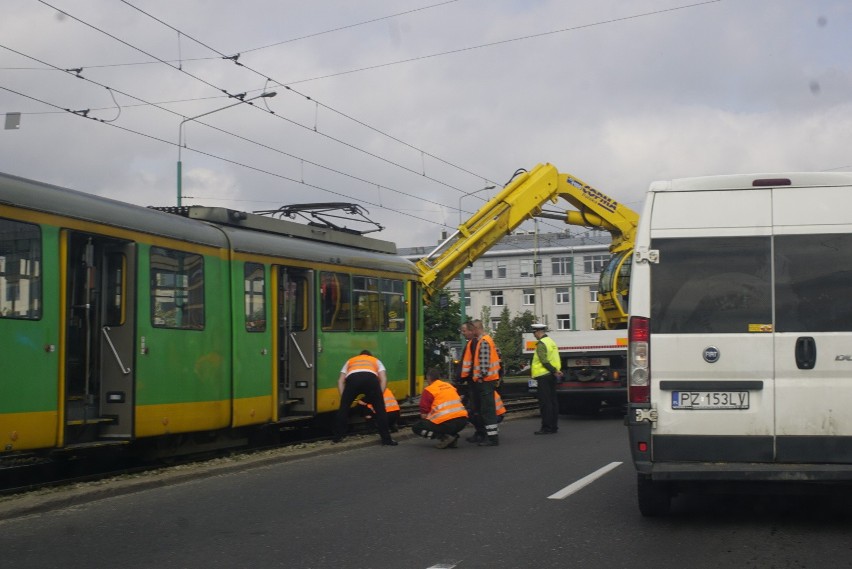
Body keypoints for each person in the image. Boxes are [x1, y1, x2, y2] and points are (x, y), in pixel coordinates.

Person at [334, 350, 398, 446]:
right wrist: (379, 395)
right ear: (369, 356)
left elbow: (340, 381)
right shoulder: (375, 360)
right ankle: (386, 440)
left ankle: (337, 438)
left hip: (353, 380)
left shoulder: (351, 360)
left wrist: (344, 398)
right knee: (380, 411)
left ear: (360, 355)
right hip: (370, 380)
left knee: (343, 409)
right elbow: (383, 378)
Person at [411, 367, 469, 448]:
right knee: (443, 422)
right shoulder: (449, 386)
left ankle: (444, 437)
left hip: (446, 423)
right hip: (462, 421)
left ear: (428, 378)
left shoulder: (429, 390)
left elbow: (424, 414)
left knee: (417, 427)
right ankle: (452, 437)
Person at [470, 319, 501, 446]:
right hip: (491, 380)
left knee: (487, 411)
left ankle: (492, 438)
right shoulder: (489, 340)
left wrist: (480, 377)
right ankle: (492, 436)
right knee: (489, 410)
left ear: (476, 328)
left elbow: (484, 364)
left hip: (486, 381)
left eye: (472, 330)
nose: (471, 333)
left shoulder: (483, 342)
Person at [530, 323, 563, 434]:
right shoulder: (551, 342)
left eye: (534, 333)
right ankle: (554, 426)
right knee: (553, 402)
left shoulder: (541, 344)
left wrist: (553, 370)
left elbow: (543, 360)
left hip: (544, 375)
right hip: (552, 375)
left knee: (545, 403)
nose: (534, 335)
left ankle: (546, 427)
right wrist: (555, 371)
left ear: (538, 332)